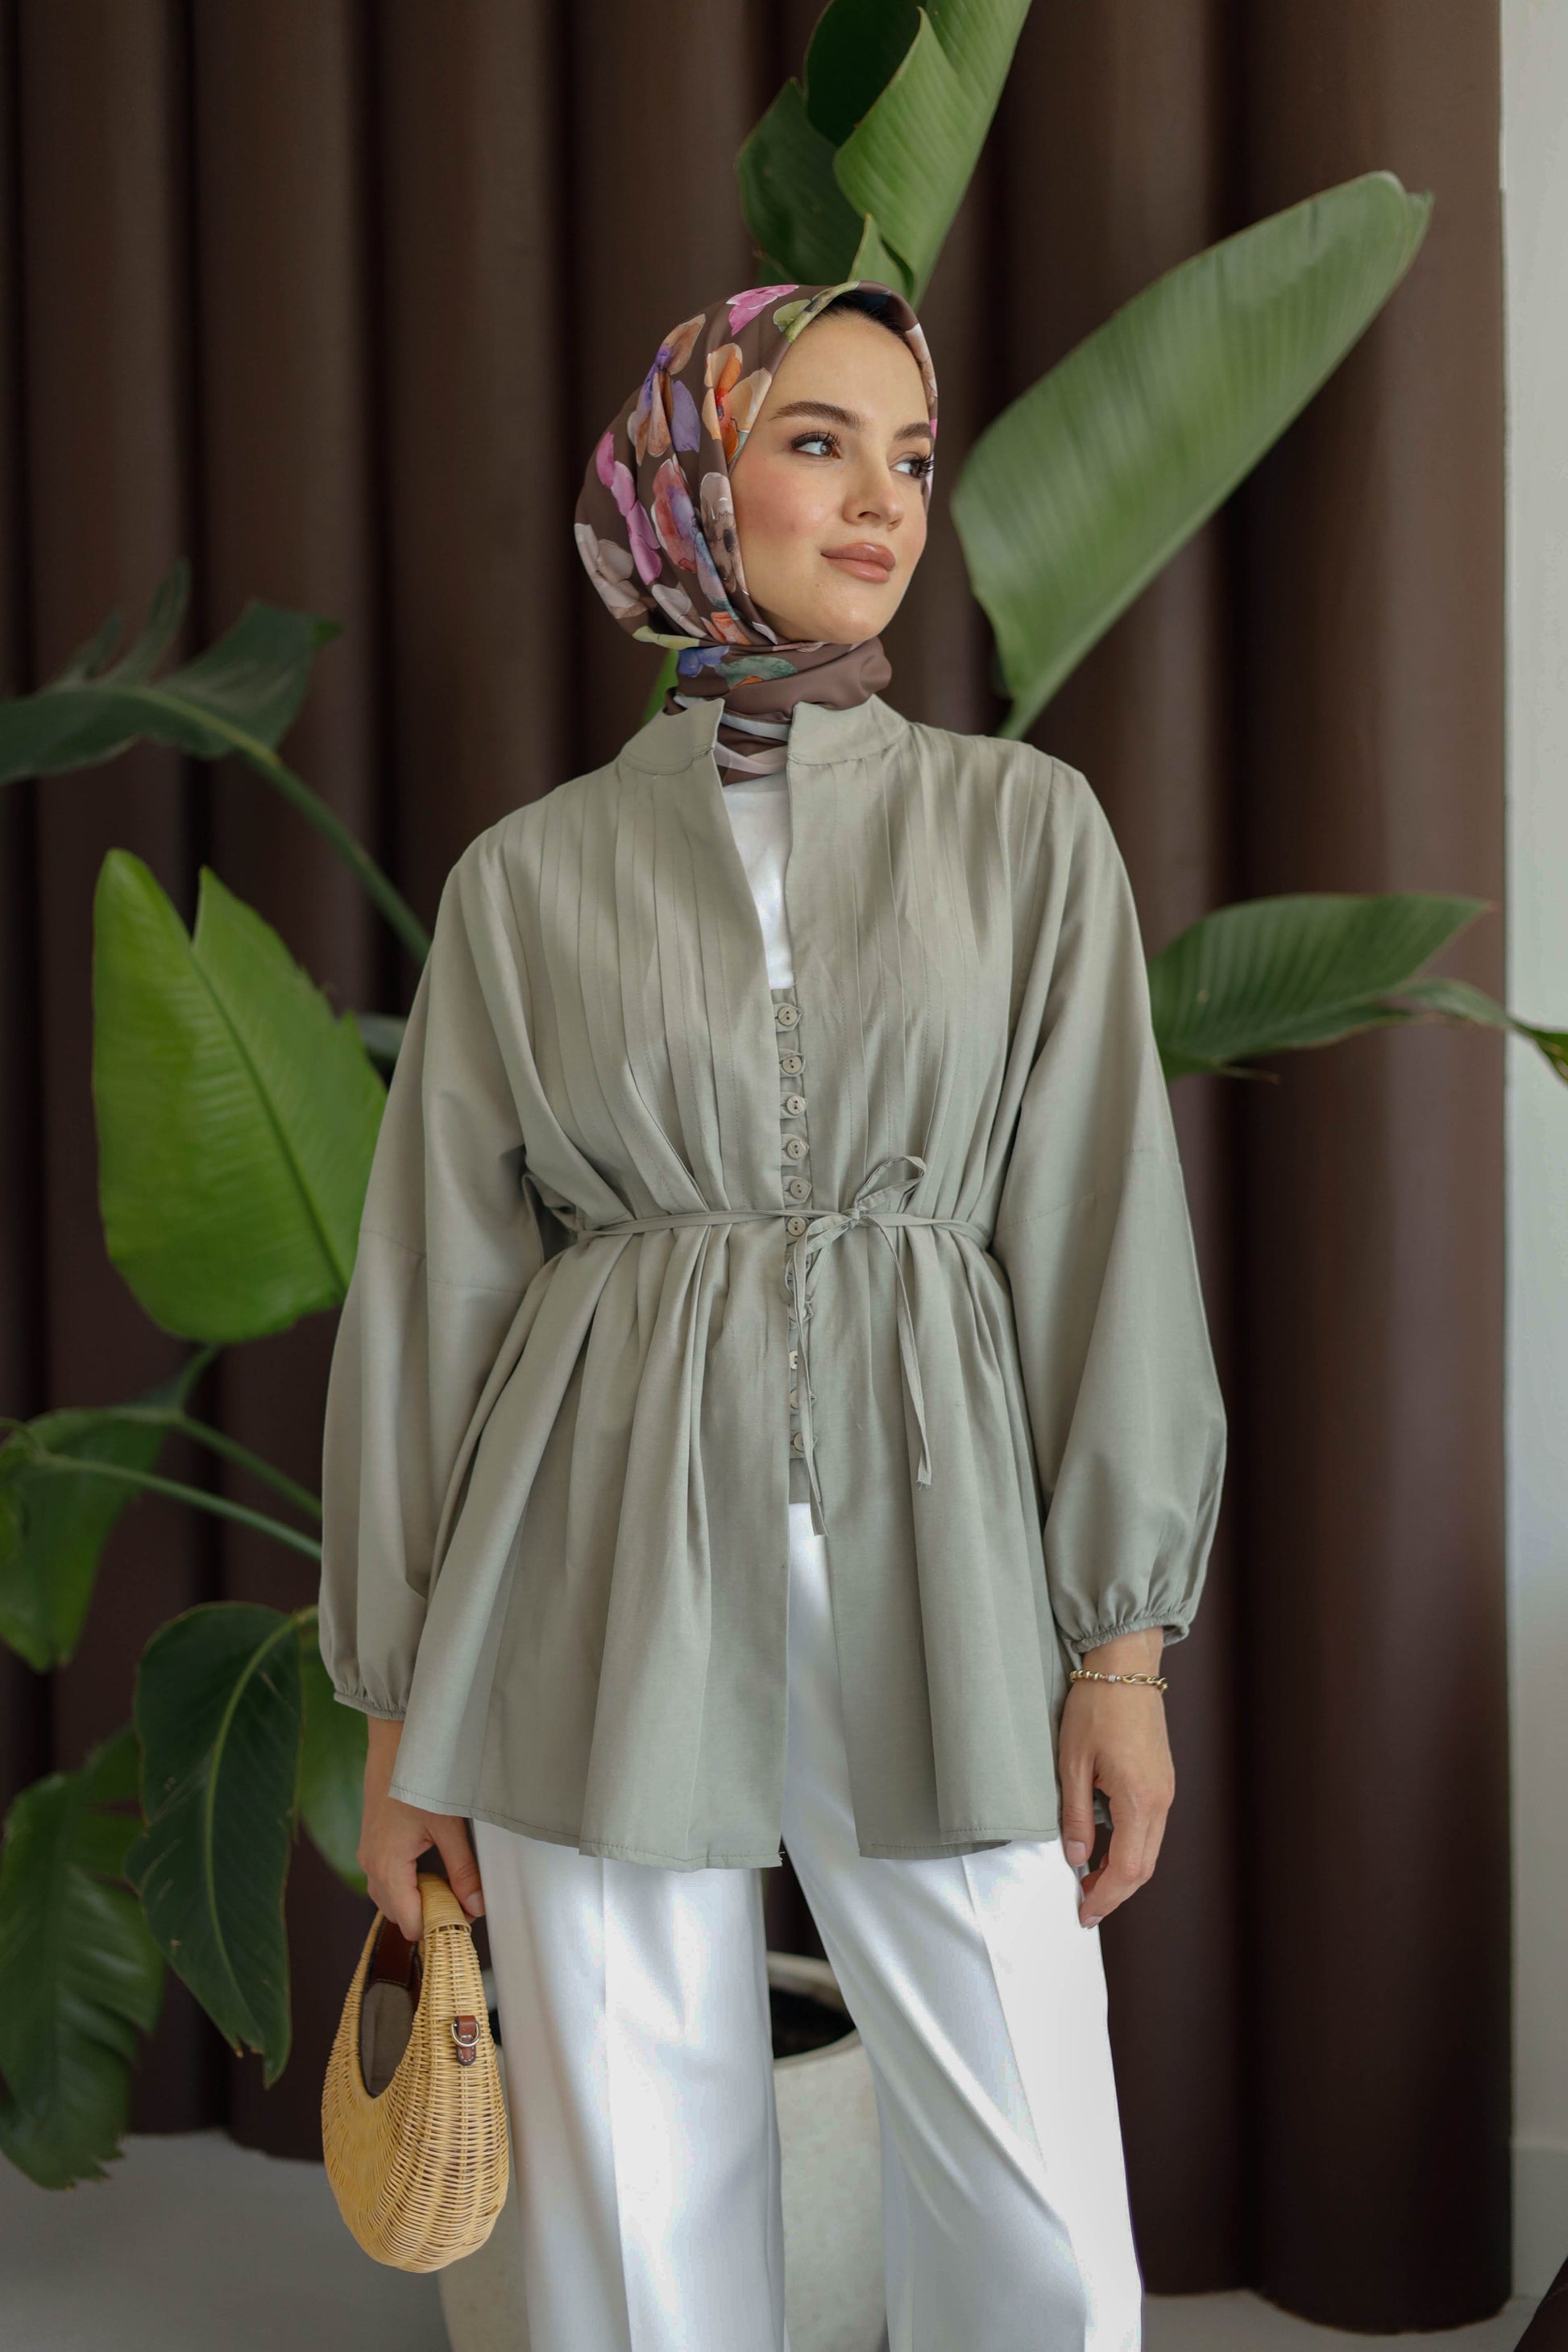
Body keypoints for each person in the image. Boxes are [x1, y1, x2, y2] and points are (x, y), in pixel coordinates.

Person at [319, 278, 1227, 2352]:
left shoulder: (1024, 829)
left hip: (942, 1536)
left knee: (1043, 2215)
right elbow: (435, 1301)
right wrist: (397, 1721)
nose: (883, 498)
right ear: (687, 477)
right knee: (638, 2225)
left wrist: (1122, 1651)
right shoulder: (526, 880)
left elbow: (1100, 1234)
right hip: (588, 1554)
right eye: (818, 440)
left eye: (909, 454)